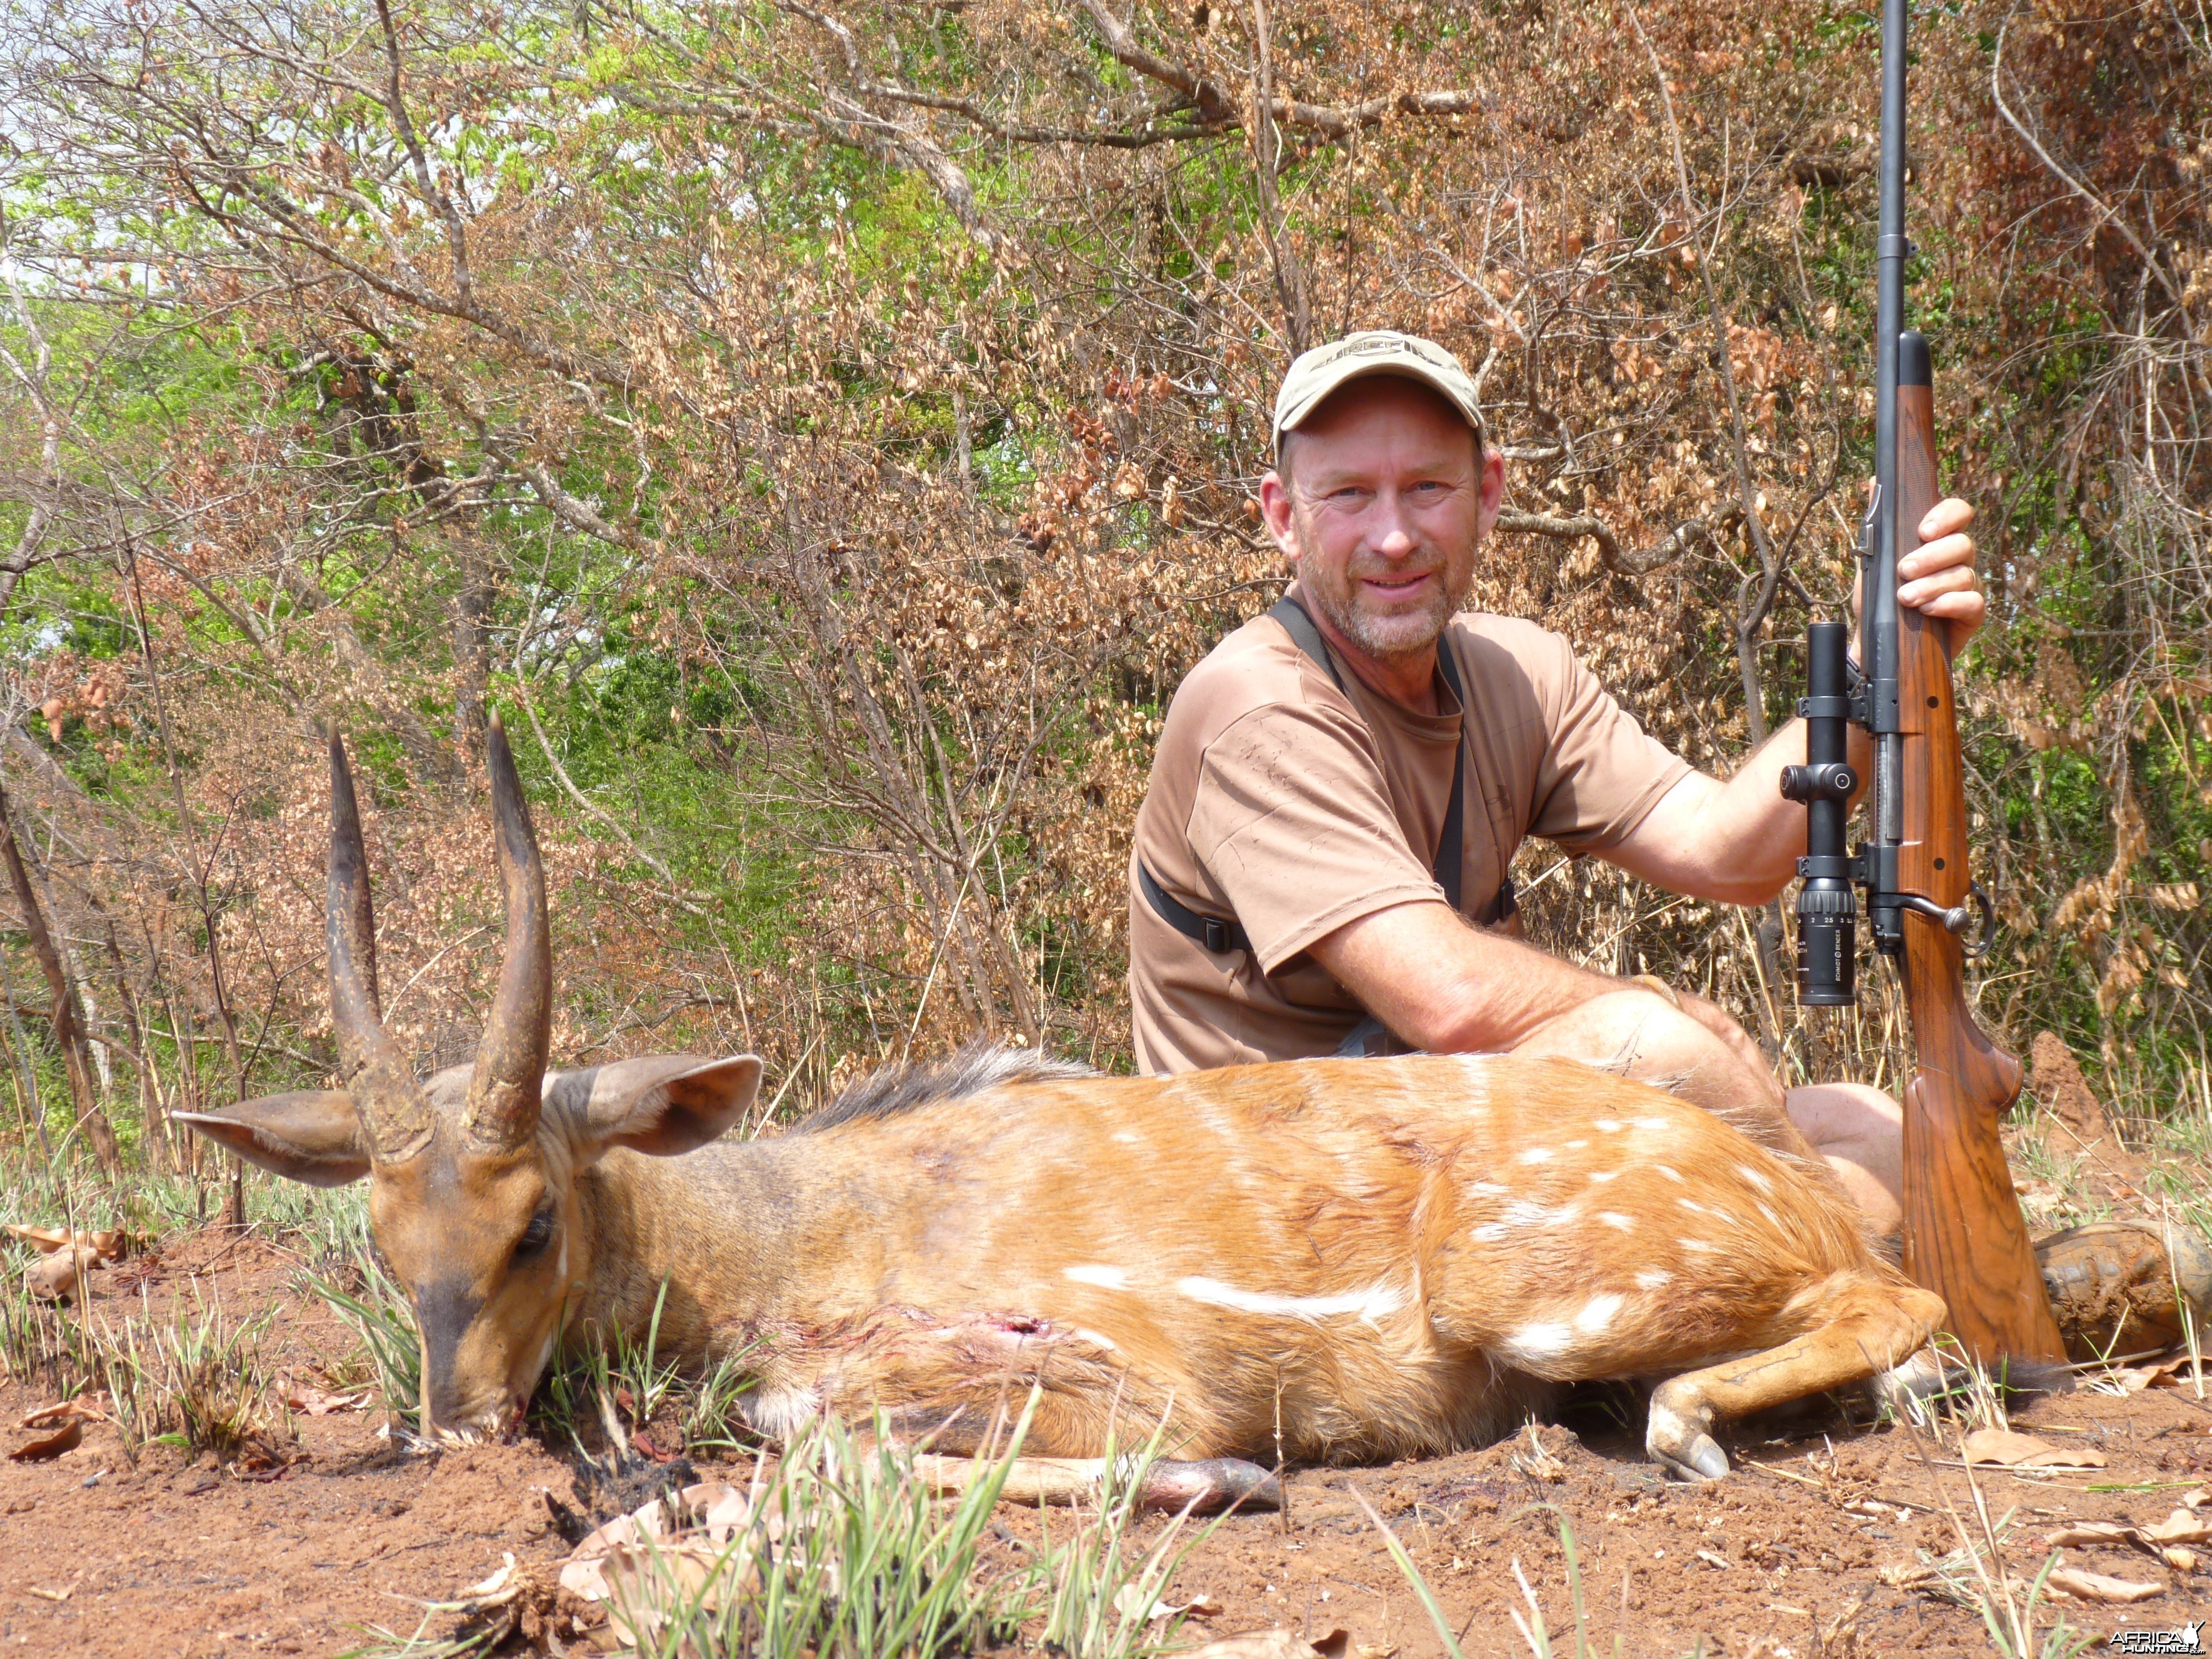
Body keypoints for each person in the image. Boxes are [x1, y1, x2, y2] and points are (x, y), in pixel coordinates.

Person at [1127, 330, 2206, 1352]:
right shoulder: (1255, 708)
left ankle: (1849, 1292)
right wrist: (1644, 1016)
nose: (1394, 534)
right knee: (1662, 1054)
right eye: (1347, 496)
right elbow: (1443, 1002)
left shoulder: (1512, 673)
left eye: (1426, 488)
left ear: (1487, 494)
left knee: (1878, 1128)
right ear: (1281, 515)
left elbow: (1724, 849)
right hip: (1293, 1232)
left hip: (1451, 1163)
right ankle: (1880, 1304)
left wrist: (1890, 673)